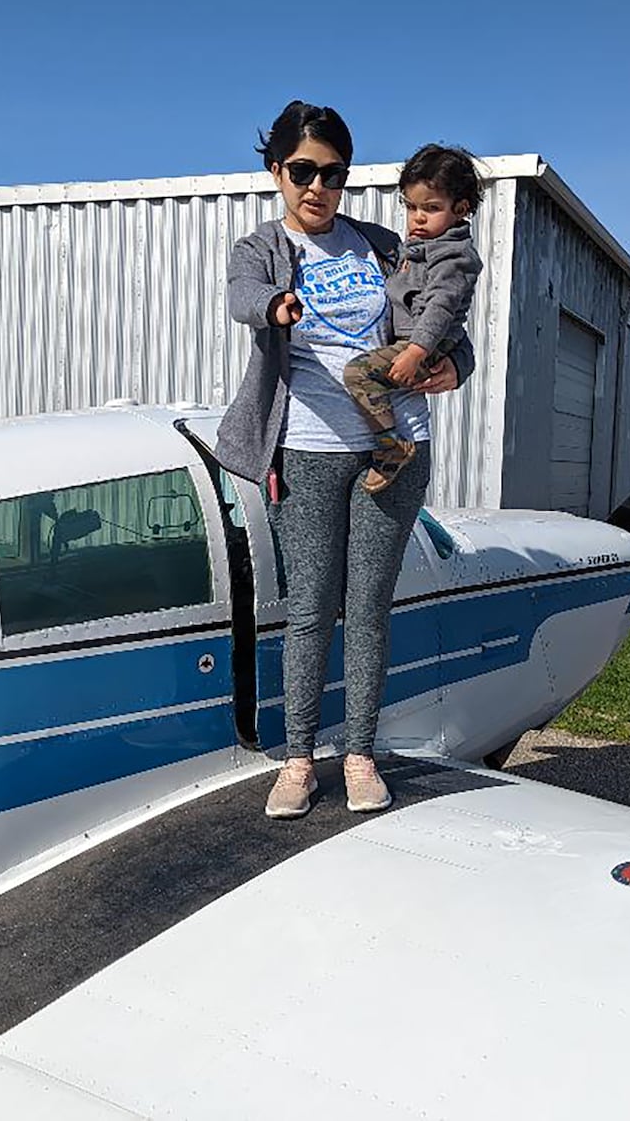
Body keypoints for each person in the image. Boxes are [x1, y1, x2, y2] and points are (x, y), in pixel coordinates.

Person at [213, 101, 476, 819]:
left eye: (332, 173)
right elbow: (243, 296)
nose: (317, 187)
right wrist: (275, 304)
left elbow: (444, 311)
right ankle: (298, 759)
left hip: (392, 448)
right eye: (303, 171)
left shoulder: (386, 244)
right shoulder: (259, 248)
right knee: (308, 612)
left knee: (367, 611)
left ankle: (358, 754)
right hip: (307, 449)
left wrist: (458, 367)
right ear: (276, 171)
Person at [342, 145, 484, 494]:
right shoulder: (417, 249)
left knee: (358, 373)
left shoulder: (452, 255)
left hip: (423, 347)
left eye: (431, 208)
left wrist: (416, 352)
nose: (417, 217)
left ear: (461, 209)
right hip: (414, 344)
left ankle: (391, 445)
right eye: (411, 206)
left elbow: (440, 307)